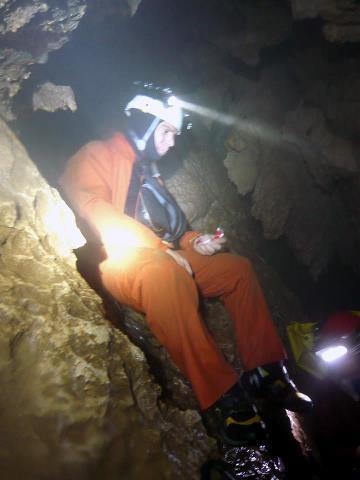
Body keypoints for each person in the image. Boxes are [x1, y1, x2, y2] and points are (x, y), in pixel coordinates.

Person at [59, 88, 312, 445]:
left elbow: (176, 231)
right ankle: (224, 397)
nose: (173, 142)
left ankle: (267, 371)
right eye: (167, 132)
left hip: (160, 253)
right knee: (166, 276)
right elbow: (94, 209)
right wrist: (158, 249)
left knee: (237, 270)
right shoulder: (95, 155)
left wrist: (197, 242)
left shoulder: (148, 171)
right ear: (145, 127)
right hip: (121, 261)